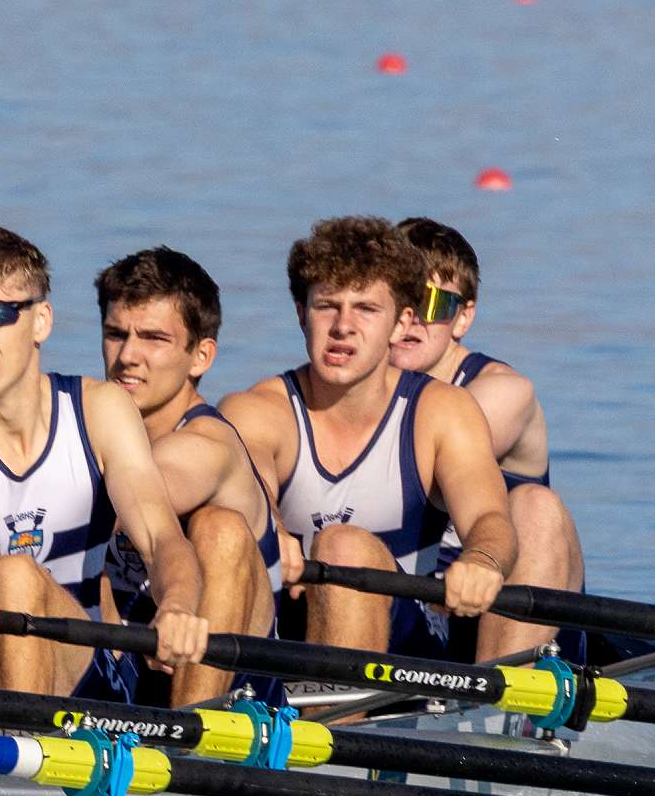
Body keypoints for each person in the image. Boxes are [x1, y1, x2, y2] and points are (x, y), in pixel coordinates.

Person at [0, 225, 210, 699]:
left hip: (88, 680)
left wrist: (178, 605)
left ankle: (14, 741)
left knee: (13, 575)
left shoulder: (99, 411)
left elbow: (162, 539)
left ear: (41, 321)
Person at [221, 216, 515, 661]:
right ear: (301, 315)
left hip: (410, 640)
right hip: (288, 625)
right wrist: (270, 529)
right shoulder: (255, 410)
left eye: (366, 309)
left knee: (343, 545)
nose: (343, 326)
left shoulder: (442, 412)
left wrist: (482, 561)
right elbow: (252, 486)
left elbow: (490, 518)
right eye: (327, 306)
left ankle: (339, 705)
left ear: (400, 323)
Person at [389, 216, 584, 660]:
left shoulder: (504, 391)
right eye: (401, 298)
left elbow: (406, 466)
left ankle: (507, 695)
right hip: (412, 608)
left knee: (535, 506)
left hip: (503, 615)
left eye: (433, 303)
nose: (413, 318)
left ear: (463, 317)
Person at [94, 247, 282, 706]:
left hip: (237, 688)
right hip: (133, 666)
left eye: (153, 338)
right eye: (116, 334)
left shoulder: (207, 445)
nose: (127, 356)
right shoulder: (95, 425)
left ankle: (196, 733)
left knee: (220, 528)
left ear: (201, 356)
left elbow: (127, 495)